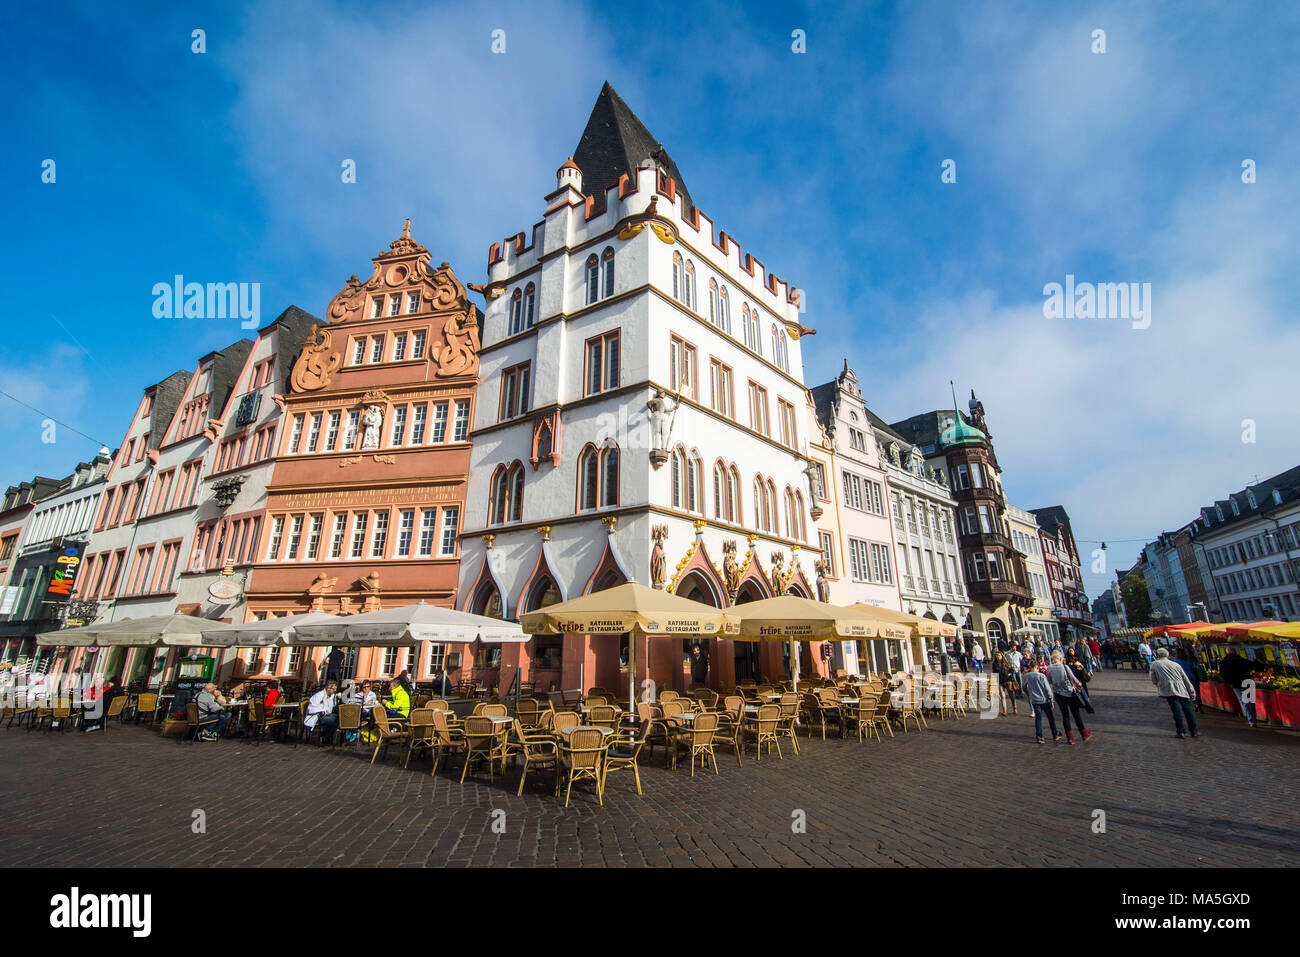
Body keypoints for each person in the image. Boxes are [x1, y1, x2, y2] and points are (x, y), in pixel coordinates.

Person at [1150, 648, 1200, 738]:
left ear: (1158, 655)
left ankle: (1180, 731)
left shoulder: (1155, 664)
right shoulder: (1176, 664)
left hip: (1169, 690)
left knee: (1176, 711)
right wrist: (1192, 692)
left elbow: (1153, 679)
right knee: (1187, 710)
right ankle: (1194, 730)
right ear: (1167, 655)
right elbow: (1185, 679)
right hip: (1182, 689)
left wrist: (1159, 684)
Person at [1047, 651, 1091, 744]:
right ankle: (1083, 733)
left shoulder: (1049, 668)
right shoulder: (1065, 667)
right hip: (1070, 693)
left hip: (1058, 694)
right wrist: (1079, 684)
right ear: (1060, 658)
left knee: (1065, 715)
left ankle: (1070, 738)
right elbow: (1073, 678)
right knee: (1076, 714)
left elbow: (1049, 681)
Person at [1217, 650, 1257, 728]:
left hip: (1236, 683)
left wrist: (1229, 681)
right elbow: (1252, 665)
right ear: (1235, 652)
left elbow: (1222, 674)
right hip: (1248, 681)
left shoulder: (1224, 662)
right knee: (1251, 701)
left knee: (1244, 701)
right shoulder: (1241, 659)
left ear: (1227, 652)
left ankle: (1251, 720)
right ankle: (1253, 718)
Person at [1021, 666, 1058, 744]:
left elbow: (1023, 687)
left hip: (1035, 700)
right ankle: (1055, 733)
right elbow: (1048, 689)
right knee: (1050, 717)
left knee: (1038, 718)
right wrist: (1051, 700)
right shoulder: (1041, 676)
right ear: (1037, 668)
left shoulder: (1027, 676)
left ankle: (1039, 736)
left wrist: (1029, 693)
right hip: (1044, 700)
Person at [1066, 649, 1094, 714]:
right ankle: (1087, 707)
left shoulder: (1076, 659)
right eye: (1070, 651)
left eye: (1072, 651)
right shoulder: (1069, 661)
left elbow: (1081, 668)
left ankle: (1088, 706)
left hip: (1081, 678)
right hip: (1076, 679)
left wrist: (1084, 670)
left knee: (1084, 693)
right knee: (1081, 693)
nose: (1071, 652)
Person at [994, 651, 1020, 716]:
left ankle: (1014, 708)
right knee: (1002, 696)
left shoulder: (1006, 663)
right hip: (1000, 681)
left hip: (1008, 681)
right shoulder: (995, 664)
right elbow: (994, 672)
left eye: (999, 655)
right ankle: (1004, 710)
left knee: (1011, 695)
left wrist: (1009, 674)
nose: (998, 657)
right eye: (996, 655)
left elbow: (1012, 670)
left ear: (1002, 656)